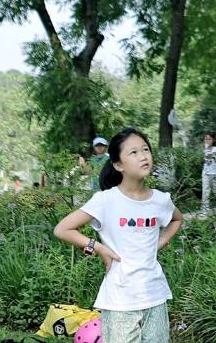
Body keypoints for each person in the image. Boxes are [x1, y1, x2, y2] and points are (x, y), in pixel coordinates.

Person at [54, 128, 184, 343]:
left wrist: (159, 242)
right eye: (133, 152)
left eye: (146, 150)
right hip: (120, 300)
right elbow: (62, 229)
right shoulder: (106, 200)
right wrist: (98, 247)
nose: (143, 156)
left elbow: (177, 219)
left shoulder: (160, 200)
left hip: (155, 296)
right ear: (118, 164)